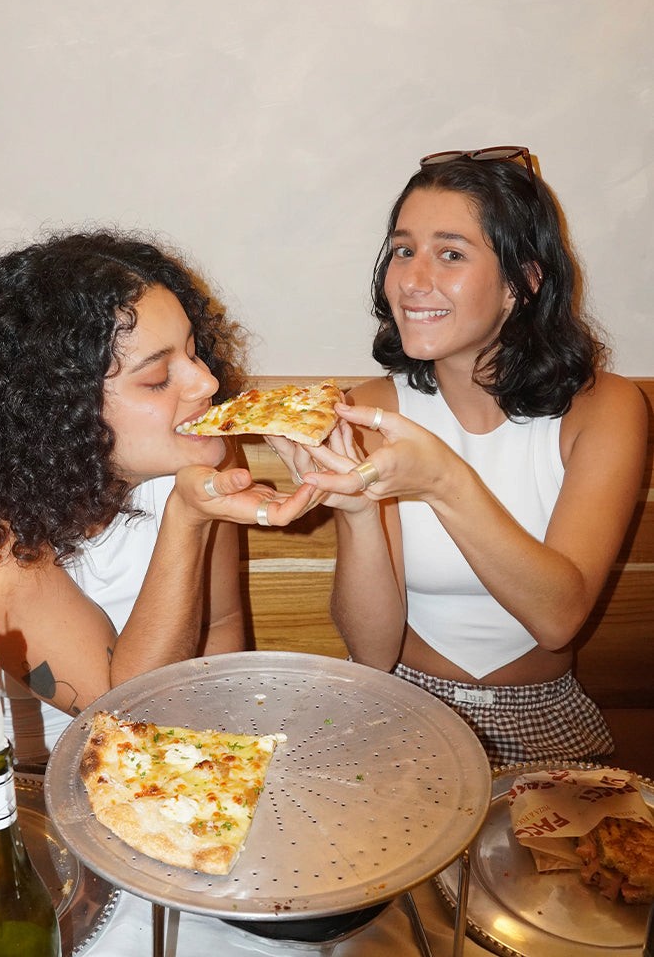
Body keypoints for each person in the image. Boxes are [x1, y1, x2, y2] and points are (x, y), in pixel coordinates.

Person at [271, 146, 648, 766]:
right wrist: (360, 511)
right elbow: (369, 650)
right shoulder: (364, 409)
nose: (413, 280)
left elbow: (558, 617)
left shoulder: (605, 408)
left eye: (451, 253)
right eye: (402, 250)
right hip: (399, 703)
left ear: (522, 282)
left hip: (542, 713)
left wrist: (445, 479)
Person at [0, 229, 316, 771]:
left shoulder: (199, 456)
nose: (206, 382)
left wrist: (211, 764)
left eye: (193, 351)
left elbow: (219, 627)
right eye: (159, 377)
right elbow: (124, 709)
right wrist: (185, 520)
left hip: (149, 769)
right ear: (60, 411)